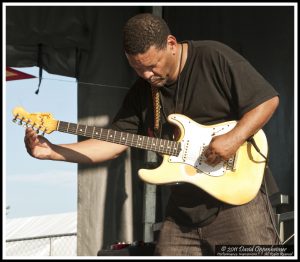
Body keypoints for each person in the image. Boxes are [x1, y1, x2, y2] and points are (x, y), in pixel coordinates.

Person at [24, 13, 280, 256]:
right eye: (137, 68)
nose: (147, 75)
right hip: (183, 212)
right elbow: (111, 143)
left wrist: (233, 139)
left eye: (152, 65)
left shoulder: (213, 56)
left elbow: (266, 100)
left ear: (170, 44)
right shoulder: (142, 91)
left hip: (238, 201)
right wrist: (52, 151)